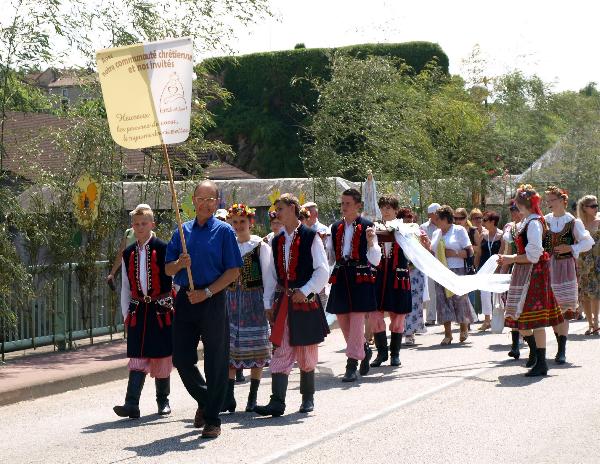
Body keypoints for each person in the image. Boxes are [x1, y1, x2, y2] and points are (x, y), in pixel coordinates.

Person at [165, 180, 243, 439]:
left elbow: (233, 270)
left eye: (211, 199)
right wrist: (179, 263)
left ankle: (213, 419)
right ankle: (207, 399)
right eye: (201, 198)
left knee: (216, 359)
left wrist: (207, 292)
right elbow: (167, 269)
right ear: (193, 200)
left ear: (217, 202)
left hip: (213, 297)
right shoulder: (181, 231)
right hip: (186, 297)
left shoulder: (223, 231)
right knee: (182, 358)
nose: (206, 203)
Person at [254, 193, 329, 416]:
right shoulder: (275, 241)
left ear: (294, 208)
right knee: (281, 349)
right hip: (284, 303)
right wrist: (268, 303)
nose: (278, 212)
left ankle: (307, 399)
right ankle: (277, 402)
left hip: (305, 302)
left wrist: (305, 290)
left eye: (281, 208)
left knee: (306, 351)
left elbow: (322, 271)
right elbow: (271, 277)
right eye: (276, 209)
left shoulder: (310, 236)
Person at [113, 204, 174, 419]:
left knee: (161, 354)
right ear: (132, 226)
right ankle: (132, 404)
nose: (140, 227)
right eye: (137, 224)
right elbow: (126, 287)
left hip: (161, 309)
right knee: (137, 355)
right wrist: (125, 313)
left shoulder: (164, 247)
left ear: (152, 225)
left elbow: (174, 280)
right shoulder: (128, 252)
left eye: (144, 223)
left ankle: (163, 400)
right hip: (138, 310)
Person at [498, 184, 563, 377]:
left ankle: (541, 362)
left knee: (536, 321)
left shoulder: (534, 223)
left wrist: (511, 259)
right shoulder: (526, 222)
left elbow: (534, 255)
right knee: (521, 319)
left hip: (534, 273)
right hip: (524, 272)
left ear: (520, 203)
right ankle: (535, 354)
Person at [221, 203, 275, 413]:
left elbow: (268, 277)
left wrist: (267, 303)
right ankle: (230, 397)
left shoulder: (260, 246)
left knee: (257, 347)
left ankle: (252, 397)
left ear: (250, 223)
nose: (238, 226)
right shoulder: (228, 245)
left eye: (242, 222)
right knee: (230, 348)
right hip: (231, 300)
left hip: (254, 300)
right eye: (234, 222)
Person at [326, 188, 381, 382]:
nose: (343, 207)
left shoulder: (367, 226)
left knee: (357, 322)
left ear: (358, 205)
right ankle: (363, 349)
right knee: (342, 319)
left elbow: (375, 260)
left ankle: (351, 365)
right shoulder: (335, 227)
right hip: (341, 275)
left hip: (359, 275)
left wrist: (371, 242)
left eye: (347, 203)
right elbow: (331, 257)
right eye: (342, 203)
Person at [544, 186, 593, 363]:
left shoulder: (573, 221)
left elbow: (588, 242)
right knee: (554, 310)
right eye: (548, 200)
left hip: (565, 268)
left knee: (564, 309)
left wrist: (571, 248)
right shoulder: (545, 220)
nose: (549, 203)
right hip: (548, 268)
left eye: (552, 200)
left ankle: (562, 349)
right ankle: (559, 345)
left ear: (562, 200)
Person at [369, 196, 412, 367]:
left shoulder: (405, 229)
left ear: (395, 210)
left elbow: (411, 254)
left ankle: (395, 353)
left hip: (397, 275)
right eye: (383, 208)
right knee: (375, 314)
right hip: (379, 276)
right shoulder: (373, 227)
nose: (385, 211)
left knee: (398, 316)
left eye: (389, 208)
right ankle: (381, 353)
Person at [430, 205, 476, 345]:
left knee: (459, 300)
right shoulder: (435, 233)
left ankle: (463, 328)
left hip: (456, 270)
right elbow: (432, 253)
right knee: (442, 301)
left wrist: (455, 253)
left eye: (437, 218)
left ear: (445, 219)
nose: (435, 221)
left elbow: (470, 252)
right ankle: (448, 334)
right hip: (440, 272)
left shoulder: (459, 230)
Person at [397, 207, 429, 345]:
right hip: (402, 271)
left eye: (410, 218)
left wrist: (425, 243)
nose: (409, 220)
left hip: (416, 272)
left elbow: (427, 251)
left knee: (416, 302)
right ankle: (403, 331)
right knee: (403, 302)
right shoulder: (397, 233)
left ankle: (411, 332)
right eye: (406, 218)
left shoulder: (419, 232)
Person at [106, 211, 156, 289]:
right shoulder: (128, 232)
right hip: (130, 271)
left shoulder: (151, 234)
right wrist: (112, 273)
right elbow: (121, 253)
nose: (140, 226)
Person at [501, 201, 524, 359]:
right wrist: (501, 269)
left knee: (524, 304)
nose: (513, 213)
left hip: (525, 266)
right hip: (511, 267)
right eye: (512, 210)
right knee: (511, 304)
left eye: (516, 209)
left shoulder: (529, 224)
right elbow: (505, 248)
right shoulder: (509, 226)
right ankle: (515, 344)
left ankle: (528, 336)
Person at [476, 211, 504, 331]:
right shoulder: (483, 235)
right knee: (484, 293)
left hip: (496, 268)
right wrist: (476, 266)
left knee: (497, 294)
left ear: (493, 222)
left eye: (485, 220)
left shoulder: (502, 235)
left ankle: (498, 318)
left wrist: (499, 268)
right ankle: (487, 320)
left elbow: (502, 252)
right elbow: (479, 252)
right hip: (484, 268)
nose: (483, 222)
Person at [576, 195, 600, 335]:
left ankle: (596, 323)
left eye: (596, 205)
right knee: (585, 294)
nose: (596, 208)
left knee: (596, 293)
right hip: (584, 262)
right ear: (584, 208)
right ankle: (590, 324)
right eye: (593, 206)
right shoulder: (579, 224)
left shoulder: (599, 221)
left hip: (597, 262)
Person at [421, 202, 440, 326]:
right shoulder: (423, 227)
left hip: (442, 260)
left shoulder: (443, 225)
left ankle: (446, 316)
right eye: (435, 214)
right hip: (428, 261)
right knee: (431, 290)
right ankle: (431, 317)